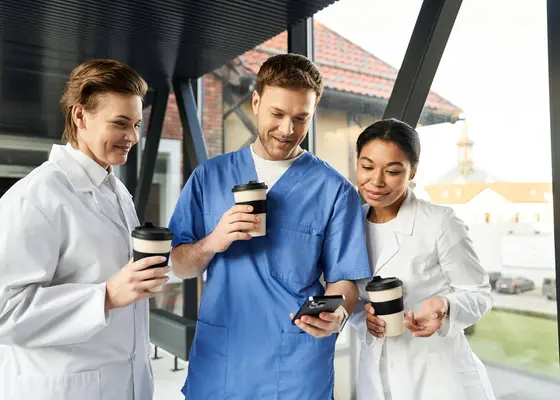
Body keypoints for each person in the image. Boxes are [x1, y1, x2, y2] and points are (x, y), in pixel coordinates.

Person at [168, 53, 371, 400]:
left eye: (300, 118)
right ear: (257, 101)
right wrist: (213, 242)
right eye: (277, 114)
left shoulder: (335, 191)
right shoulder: (209, 177)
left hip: (296, 367)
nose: (287, 130)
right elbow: (177, 264)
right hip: (223, 359)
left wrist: (336, 312)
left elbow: (345, 280)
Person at [0, 59, 169, 400]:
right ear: (80, 116)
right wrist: (104, 297)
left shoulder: (116, 191)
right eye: (120, 123)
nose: (132, 137)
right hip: (57, 388)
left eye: (136, 124)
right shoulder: (37, 197)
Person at [349, 119, 495, 400]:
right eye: (367, 167)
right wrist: (362, 318)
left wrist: (445, 306)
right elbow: (351, 295)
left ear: (412, 170)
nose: (376, 181)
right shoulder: (349, 224)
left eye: (392, 171)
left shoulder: (440, 222)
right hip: (376, 374)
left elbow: (479, 294)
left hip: (439, 377)